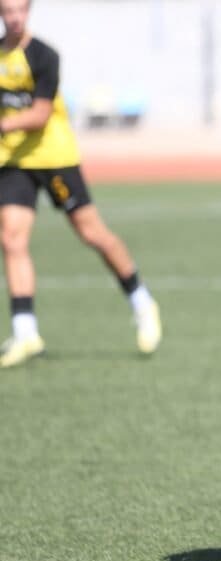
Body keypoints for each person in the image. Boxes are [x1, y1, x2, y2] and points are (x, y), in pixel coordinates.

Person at [0, 0, 161, 367]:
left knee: (92, 234)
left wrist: (4, 124)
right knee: (11, 238)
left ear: (29, 11)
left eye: (20, 10)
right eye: (7, 11)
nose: (14, 17)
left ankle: (141, 301)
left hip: (54, 159)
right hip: (13, 162)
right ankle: (25, 332)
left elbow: (40, 115)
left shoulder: (44, 55)